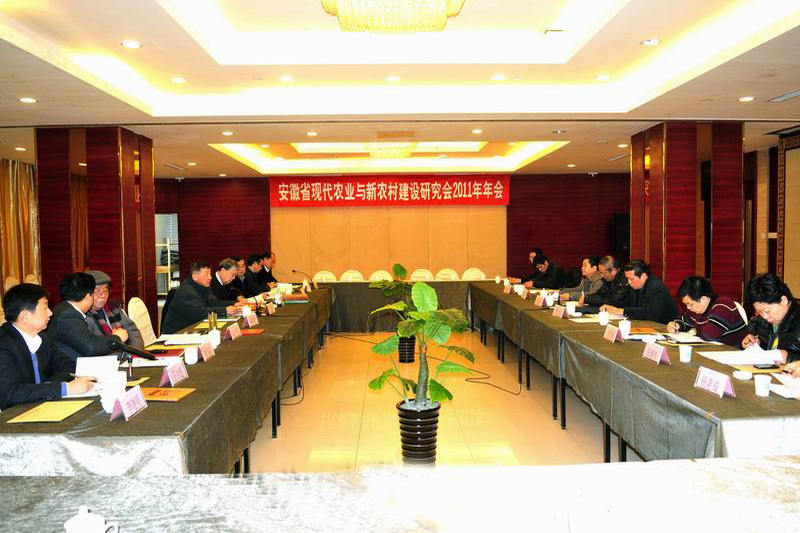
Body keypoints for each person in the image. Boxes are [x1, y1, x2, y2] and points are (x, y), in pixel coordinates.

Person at [0, 283, 95, 409]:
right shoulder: (3, 343)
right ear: (25, 316)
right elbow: (9, 393)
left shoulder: (42, 338)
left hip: (40, 407)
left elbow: (68, 366)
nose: (50, 313)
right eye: (45, 308)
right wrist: (64, 388)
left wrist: (47, 388)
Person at [51, 272, 129, 361]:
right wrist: (117, 337)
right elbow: (91, 346)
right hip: (71, 367)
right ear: (88, 296)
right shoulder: (67, 315)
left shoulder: (67, 309)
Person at [742, 274, 800, 376]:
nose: (764, 316)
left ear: (783, 300)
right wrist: (751, 343)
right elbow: (753, 339)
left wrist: (788, 357)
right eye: (760, 312)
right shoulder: (759, 322)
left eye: (767, 311)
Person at [667, 276, 747, 347]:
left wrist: (695, 334)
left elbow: (709, 337)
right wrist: (676, 325)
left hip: (735, 353)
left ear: (703, 299)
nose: (688, 308)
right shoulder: (696, 309)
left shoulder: (723, 307)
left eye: (690, 304)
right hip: (714, 352)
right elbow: (684, 320)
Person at [161, 261, 238, 334]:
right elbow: (199, 312)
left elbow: (213, 302)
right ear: (195, 276)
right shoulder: (186, 291)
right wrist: (224, 310)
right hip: (178, 332)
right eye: (206, 274)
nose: (210, 277)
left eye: (210, 274)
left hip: (193, 327)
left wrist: (234, 304)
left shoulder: (203, 287)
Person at [600, 260, 678, 324]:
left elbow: (652, 314)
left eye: (631, 279)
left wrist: (623, 311)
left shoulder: (657, 288)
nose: (628, 282)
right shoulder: (637, 286)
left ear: (643, 276)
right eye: (627, 279)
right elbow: (629, 304)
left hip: (663, 327)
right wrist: (613, 307)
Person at [85, 269, 144, 350]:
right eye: (97, 291)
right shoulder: (84, 315)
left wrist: (135, 352)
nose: (103, 295)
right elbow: (95, 346)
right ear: (86, 294)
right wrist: (117, 338)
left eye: (105, 290)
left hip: (127, 354)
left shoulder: (113, 307)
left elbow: (133, 331)